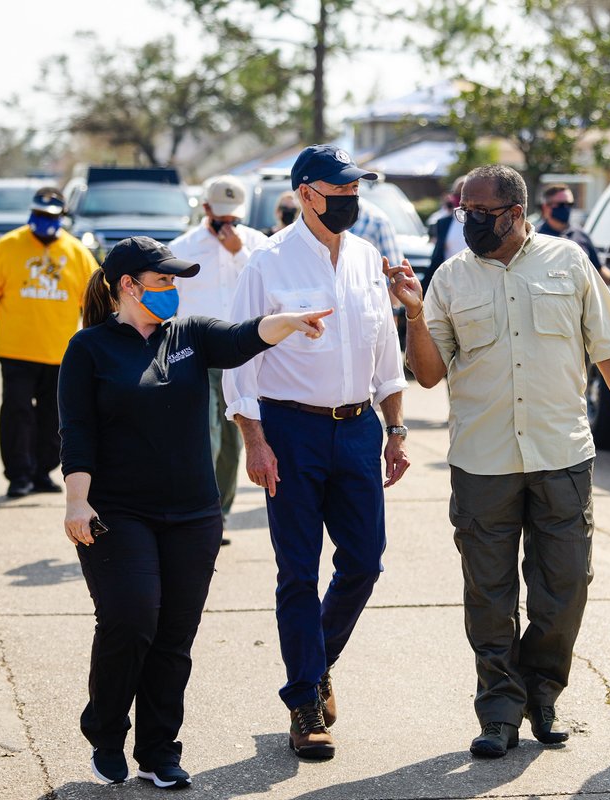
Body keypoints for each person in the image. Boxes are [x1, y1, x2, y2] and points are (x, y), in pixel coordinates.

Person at [394, 164, 610, 758]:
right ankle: (499, 710)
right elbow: (430, 375)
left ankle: (543, 693)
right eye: (464, 212)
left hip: (560, 453)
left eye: (481, 213)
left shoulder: (568, 262)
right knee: (488, 593)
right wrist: (413, 312)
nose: (469, 223)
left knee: (564, 587)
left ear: (515, 214)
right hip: (482, 460)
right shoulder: (450, 279)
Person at [59, 236, 332, 788]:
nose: (173, 289)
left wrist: (290, 321)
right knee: (131, 620)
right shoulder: (88, 348)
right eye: (163, 280)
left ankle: (160, 750)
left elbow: (242, 339)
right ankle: (107, 730)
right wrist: (76, 501)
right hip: (119, 512)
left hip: (193, 515)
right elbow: (77, 433)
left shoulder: (189, 336)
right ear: (128, 286)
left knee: (174, 637)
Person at [223, 143, 410, 761]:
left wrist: (397, 429)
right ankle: (305, 701)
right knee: (298, 570)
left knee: (365, 561)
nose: (354, 200)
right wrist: (255, 441)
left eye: (358, 189)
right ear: (307, 194)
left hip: (358, 429)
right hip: (290, 431)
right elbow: (238, 358)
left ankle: (315, 663)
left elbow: (385, 350)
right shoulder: (266, 263)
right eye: (341, 191)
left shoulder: (363, 258)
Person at [0, 187, 98, 498]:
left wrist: (96, 347)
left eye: (50, 216)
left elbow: (93, 303)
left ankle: (42, 471)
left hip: (60, 353)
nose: (43, 221)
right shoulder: (8, 246)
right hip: (15, 350)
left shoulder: (77, 252)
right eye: (39, 215)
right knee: (17, 413)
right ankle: (19, 475)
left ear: (62, 217)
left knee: (53, 417)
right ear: (30, 214)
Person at [169, 176, 268, 540]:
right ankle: (200, 514)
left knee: (232, 443)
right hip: (197, 355)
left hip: (242, 358)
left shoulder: (258, 245)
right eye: (220, 218)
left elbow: (272, 289)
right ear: (206, 209)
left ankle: (219, 514)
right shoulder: (183, 248)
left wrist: (239, 251)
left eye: (233, 219)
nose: (227, 226)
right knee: (203, 436)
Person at [536, 183, 610, 284]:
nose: (566, 208)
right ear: (546, 207)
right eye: (561, 205)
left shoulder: (581, 236)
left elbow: (598, 271)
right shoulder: (536, 237)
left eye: (570, 204)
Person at [425, 175, 466, 292]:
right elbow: (437, 256)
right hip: (448, 285)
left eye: (463, 194)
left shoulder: (481, 223)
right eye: (457, 193)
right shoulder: (444, 222)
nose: (459, 198)